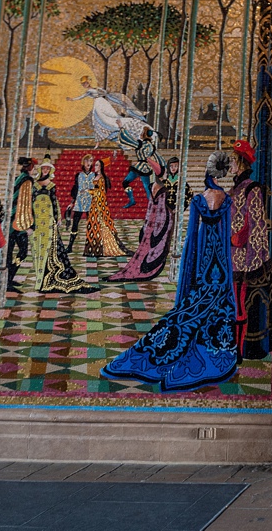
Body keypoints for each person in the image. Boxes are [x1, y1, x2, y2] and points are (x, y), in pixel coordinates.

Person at [102, 151, 239, 390]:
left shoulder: (199, 199)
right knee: (216, 299)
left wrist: (190, 264)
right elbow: (227, 232)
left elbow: (191, 236)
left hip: (202, 252)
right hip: (220, 257)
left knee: (192, 303)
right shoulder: (226, 199)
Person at [227, 139, 271, 359]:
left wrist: (240, 242)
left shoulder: (252, 188)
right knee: (232, 302)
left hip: (242, 257)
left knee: (239, 305)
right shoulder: (234, 188)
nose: (230, 165)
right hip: (231, 254)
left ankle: (238, 350)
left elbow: (255, 222)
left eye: (233, 161)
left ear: (240, 162)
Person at [29, 157, 94, 295]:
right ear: (41, 169)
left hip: (48, 219)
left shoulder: (52, 185)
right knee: (38, 248)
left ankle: (48, 278)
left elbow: (54, 202)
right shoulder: (34, 184)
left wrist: (58, 217)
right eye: (44, 168)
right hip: (37, 220)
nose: (45, 170)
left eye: (48, 168)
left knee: (53, 247)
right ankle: (40, 280)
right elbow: (30, 201)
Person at [108, 156, 178, 282]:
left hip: (152, 219)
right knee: (157, 245)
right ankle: (149, 268)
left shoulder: (153, 186)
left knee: (149, 245)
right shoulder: (164, 187)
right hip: (161, 219)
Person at [5, 157, 36, 292]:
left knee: (11, 251)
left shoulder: (20, 177)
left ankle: (8, 279)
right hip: (18, 221)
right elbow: (25, 203)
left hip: (13, 219)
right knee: (22, 252)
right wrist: (28, 225)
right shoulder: (27, 180)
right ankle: (8, 278)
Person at [83, 158, 123, 258]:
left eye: (96, 165)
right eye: (95, 165)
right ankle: (93, 248)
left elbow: (100, 192)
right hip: (94, 204)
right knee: (93, 224)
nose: (94, 167)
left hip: (99, 205)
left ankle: (101, 248)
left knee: (99, 224)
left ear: (101, 167)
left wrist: (88, 191)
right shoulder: (96, 177)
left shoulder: (101, 178)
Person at [122, 125, 158, 208]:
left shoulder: (141, 143)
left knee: (127, 182)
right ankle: (150, 203)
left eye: (142, 132)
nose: (140, 134)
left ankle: (133, 200)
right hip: (143, 166)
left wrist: (122, 128)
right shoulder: (152, 146)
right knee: (146, 186)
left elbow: (128, 140)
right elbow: (147, 157)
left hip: (140, 166)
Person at [66, 153, 95, 251]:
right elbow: (76, 189)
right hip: (79, 202)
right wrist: (72, 202)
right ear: (83, 162)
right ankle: (70, 246)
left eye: (91, 161)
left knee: (91, 225)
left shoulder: (94, 175)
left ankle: (91, 246)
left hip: (90, 202)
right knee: (75, 224)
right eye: (87, 161)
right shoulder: (79, 175)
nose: (89, 163)